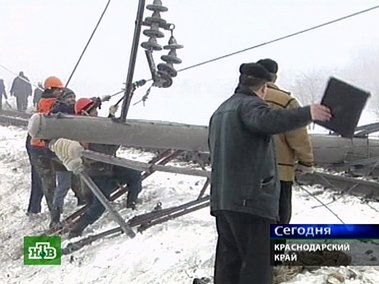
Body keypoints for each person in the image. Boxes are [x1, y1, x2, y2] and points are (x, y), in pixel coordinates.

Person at [208, 62, 331, 284]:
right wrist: (308, 113)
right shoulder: (250, 106)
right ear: (264, 88)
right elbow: (269, 120)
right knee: (257, 267)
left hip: (224, 201)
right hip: (251, 202)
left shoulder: (221, 110)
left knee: (230, 264)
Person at [50, 97, 142, 237]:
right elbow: (106, 150)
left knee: (135, 175)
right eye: (93, 111)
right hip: (97, 174)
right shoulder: (85, 134)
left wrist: (111, 117)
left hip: (108, 168)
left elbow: (104, 132)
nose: (96, 113)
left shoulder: (89, 127)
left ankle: (131, 205)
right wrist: (119, 137)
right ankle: (77, 229)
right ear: (85, 114)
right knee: (99, 206)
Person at [257, 58, 314, 224]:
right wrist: (306, 162)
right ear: (274, 78)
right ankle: (274, 250)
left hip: (247, 174)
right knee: (278, 222)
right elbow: (299, 137)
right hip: (280, 174)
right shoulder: (286, 101)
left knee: (252, 225)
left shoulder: (241, 101)